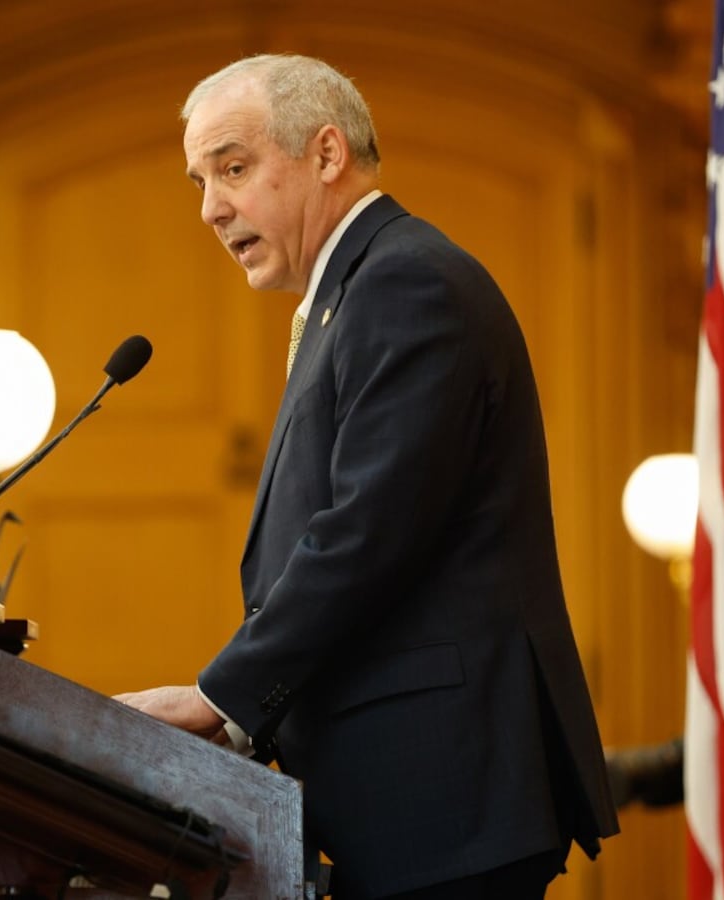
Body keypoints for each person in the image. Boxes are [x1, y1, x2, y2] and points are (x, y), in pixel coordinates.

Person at [114, 54, 619, 898]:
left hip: (444, 794)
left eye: (233, 168)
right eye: (199, 181)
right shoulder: (354, 291)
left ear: (325, 153)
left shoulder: (406, 283)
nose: (210, 208)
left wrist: (222, 699)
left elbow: (367, 534)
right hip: (414, 800)